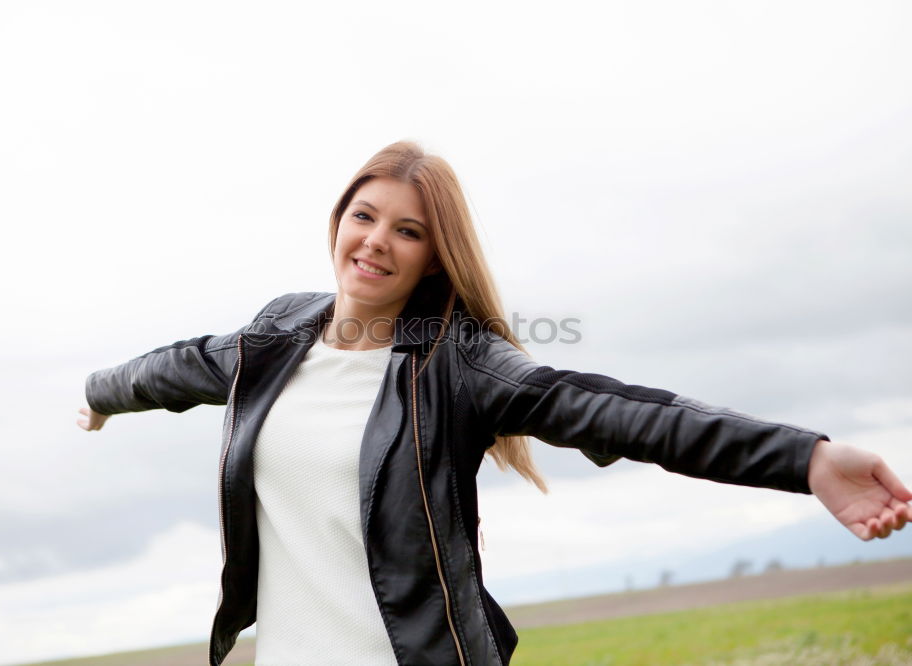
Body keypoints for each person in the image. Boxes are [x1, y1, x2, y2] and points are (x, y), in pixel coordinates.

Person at [78, 141, 911, 666]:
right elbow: (174, 369)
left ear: (435, 258)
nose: (376, 241)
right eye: (365, 215)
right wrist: (96, 395)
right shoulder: (274, 338)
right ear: (338, 219)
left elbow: (623, 413)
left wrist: (805, 458)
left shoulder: (459, 364)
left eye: (408, 230)